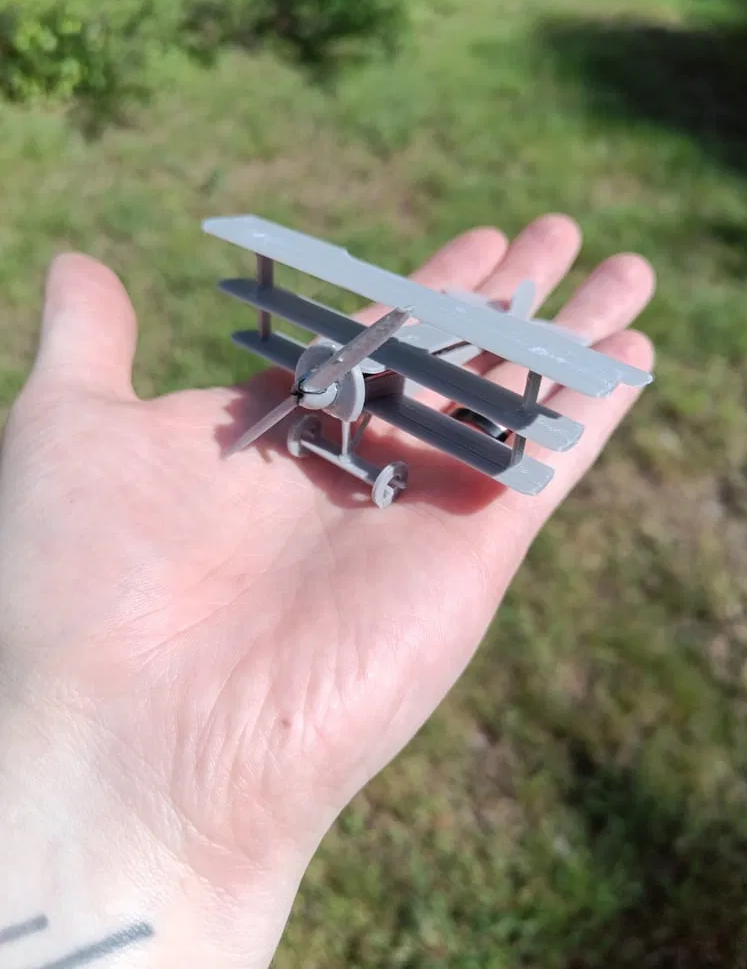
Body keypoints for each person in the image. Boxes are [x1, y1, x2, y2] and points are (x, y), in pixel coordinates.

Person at [0, 214, 654, 966]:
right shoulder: (320, 379)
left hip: (439, 351)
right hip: (364, 386)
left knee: (459, 368)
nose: (308, 379)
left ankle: (513, 325)